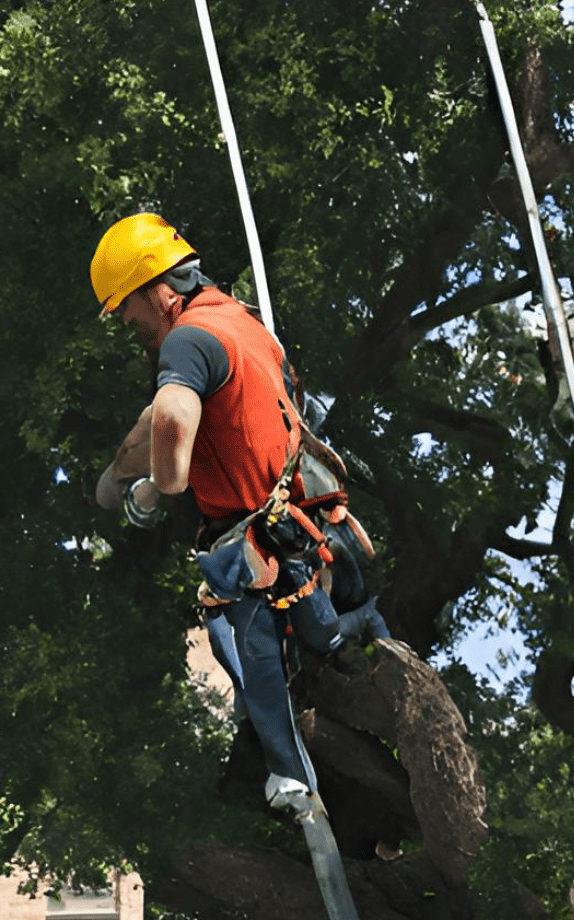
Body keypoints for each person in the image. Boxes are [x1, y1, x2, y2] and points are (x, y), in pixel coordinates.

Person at [88, 213, 386, 807]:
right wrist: (118, 472)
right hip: (300, 516)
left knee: (247, 646)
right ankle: (363, 631)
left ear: (160, 292)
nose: (125, 321)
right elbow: (162, 414)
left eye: (126, 307)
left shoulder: (185, 339)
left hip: (257, 534)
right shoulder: (238, 320)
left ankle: (291, 774)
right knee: (307, 636)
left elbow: (173, 417)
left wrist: (158, 486)